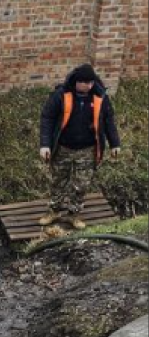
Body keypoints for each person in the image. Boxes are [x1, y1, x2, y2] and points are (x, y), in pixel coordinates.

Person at [39, 64, 121, 229]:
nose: (89, 86)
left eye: (91, 82)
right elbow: (47, 118)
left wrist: (115, 143)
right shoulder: (60, 95)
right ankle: (54, 211)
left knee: (81, 184)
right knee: (57, 181)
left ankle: (73, 214)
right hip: (62, 148)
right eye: (85, 83)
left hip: (87, 149)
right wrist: (45, 144)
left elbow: (108, 121)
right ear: (77, 82)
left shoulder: (100, 97)